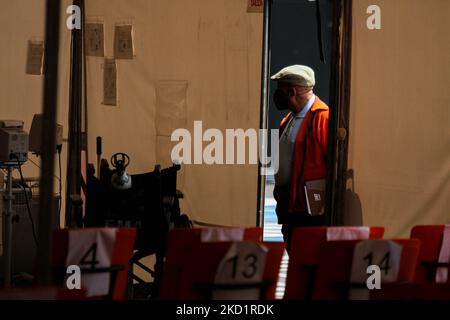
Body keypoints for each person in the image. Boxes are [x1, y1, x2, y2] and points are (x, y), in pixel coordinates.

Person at [271, 65, 329, 248]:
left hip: (310, 210)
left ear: (292, 91)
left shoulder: (322, 118)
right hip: (290, 205)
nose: (277, 94)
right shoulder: (288, 120)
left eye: (280, 88)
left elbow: (333, 165)